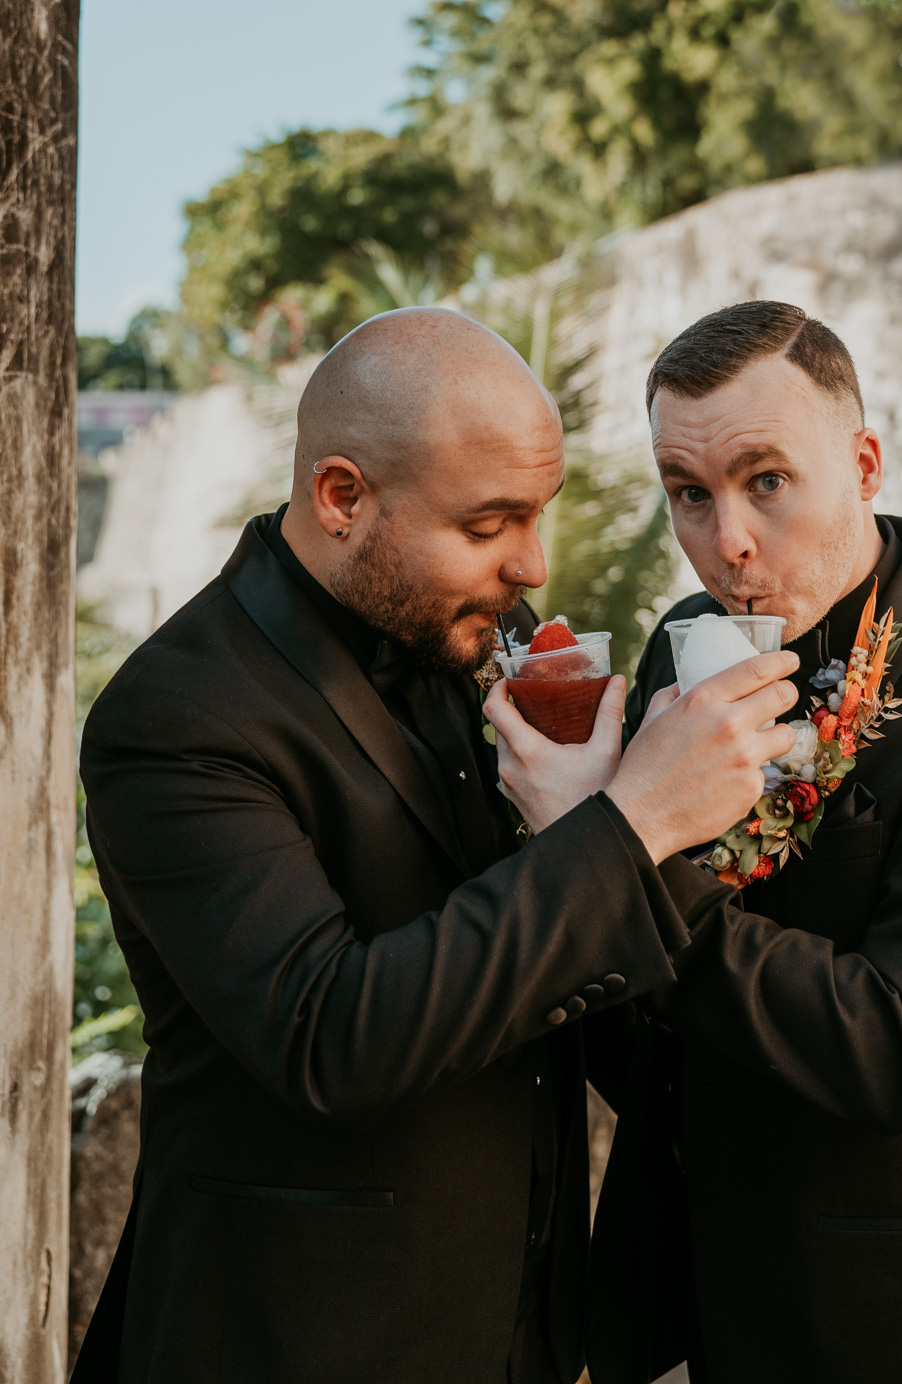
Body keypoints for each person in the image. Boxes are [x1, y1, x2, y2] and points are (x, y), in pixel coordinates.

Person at [75, 307, 801, 1384]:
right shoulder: (178, 714)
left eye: (539, 516)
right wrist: (632, 820)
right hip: (297, 1340)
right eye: (488, 525)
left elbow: (549, 968)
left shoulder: (466, 645)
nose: (533, 565)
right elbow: (331, 1036)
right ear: (340, 498)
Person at [488, 301, 902, 1384]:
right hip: (711, 1307)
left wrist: (621, 852)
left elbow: (897, 1053)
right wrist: (557, 850)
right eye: (690, 493)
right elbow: (650, 1015)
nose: (725, 540)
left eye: (764, 480)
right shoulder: (686, 643)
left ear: (863, 463)